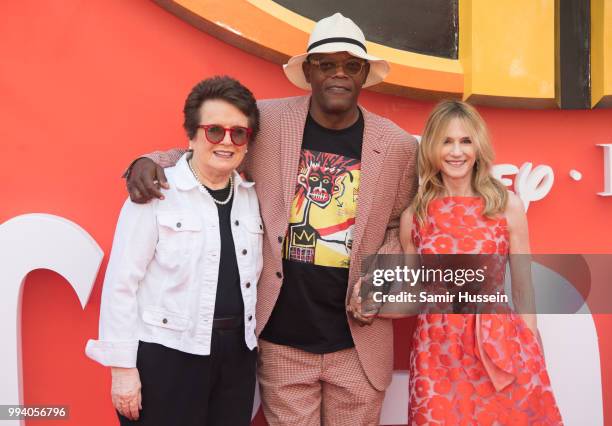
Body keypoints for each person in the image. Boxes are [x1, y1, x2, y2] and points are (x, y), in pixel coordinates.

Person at [125, 13, 418, 425]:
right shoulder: (270, 121)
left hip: (358, 346)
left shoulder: (398, 146)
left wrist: (379, 280)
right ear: (309, 71)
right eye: (326, 63)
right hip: (282, 342)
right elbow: (210, 150)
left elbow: (401, 223)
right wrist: (149, 160)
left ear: (364, 74)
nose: (338, 74)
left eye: (350, 65)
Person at [353, 100, 563, 424]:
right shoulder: (416, 215)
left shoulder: (506, 206)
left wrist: (531, 354)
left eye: (465, 141)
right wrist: (368, 301)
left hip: (498, 349)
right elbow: (411, 298)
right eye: (446, 141)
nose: (456, 151)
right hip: (436, 353)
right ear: (432, 148)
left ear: (478, 147)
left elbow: (523, 292)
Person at [86, 76, 263, 425]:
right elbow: (121, 285)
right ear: (192, 135)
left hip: (237, 358)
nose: (227, 141)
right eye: (215, 131)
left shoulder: (251, 198)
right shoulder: (156, 194)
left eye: (238, 133)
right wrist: (122, 370)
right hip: (167, 357)